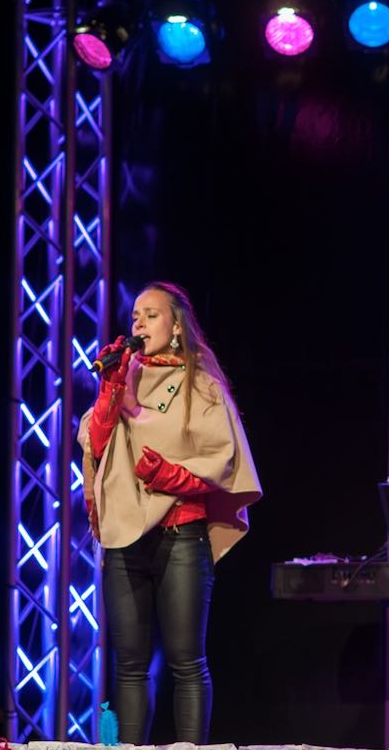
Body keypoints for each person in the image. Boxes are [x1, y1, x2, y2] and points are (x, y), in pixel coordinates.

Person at [77, 281, 262, 744]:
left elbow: (220, 461)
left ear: (177, 326)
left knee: (186, 662)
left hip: (181, 534)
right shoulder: (123, 378)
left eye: (151, 314)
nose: (138, 323)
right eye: (135, 316)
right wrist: (110, 388)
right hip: (125, 537)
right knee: (129, 666)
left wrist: (169, 475)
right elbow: (96, 443)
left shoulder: (202, 386)